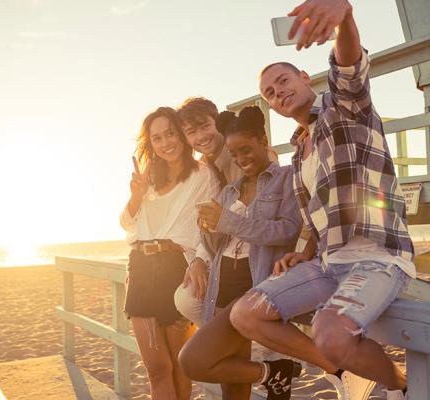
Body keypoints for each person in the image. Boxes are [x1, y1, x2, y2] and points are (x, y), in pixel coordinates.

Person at [229, 1, 416, 399]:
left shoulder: (343, 107)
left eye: (282, 80)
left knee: (329, 332)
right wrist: (306, 250)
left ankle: (400, 386)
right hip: (328, 263)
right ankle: (343, 370)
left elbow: (348, 65)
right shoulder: (299, 152)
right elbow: (321, 211)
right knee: (245, 314)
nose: (277, 92)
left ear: (302, 75)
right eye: (269, 92)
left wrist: (344, 15)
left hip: (377, 258)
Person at [177, 106, 304, 400]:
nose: (240, 159)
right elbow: (216, 246)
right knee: (231, 388)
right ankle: (274, 373)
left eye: (245, 149)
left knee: (194, 360)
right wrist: (208, 229)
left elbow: (286, 231)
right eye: (233, 154)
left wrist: (227, 221)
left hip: (254, 283)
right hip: (223, 284)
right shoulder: (229, 191)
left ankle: (276, 371)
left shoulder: (285, 178)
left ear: (263, 140)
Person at [120, 106, 219, 399]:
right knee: (156, 367)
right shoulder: (148, 176)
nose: (166, 143)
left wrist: (201, 259)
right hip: (140, 266)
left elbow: (210, 228)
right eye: (157, 138)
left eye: (170, 134)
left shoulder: (204, 174)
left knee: (178, 365)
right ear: (150, 143)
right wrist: (136, 195)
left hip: (178, 267)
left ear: (181, 133)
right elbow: (126, 223)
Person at [176, 97, 283, 312]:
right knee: (187, 299)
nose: (201, 137)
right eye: (191, 132)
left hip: (258, 253)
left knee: (190, 301)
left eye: (206, 126)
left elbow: (263, 214)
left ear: (218, 122)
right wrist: (198, 259)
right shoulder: (206, 167)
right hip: (226, 248)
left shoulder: (242, 156)